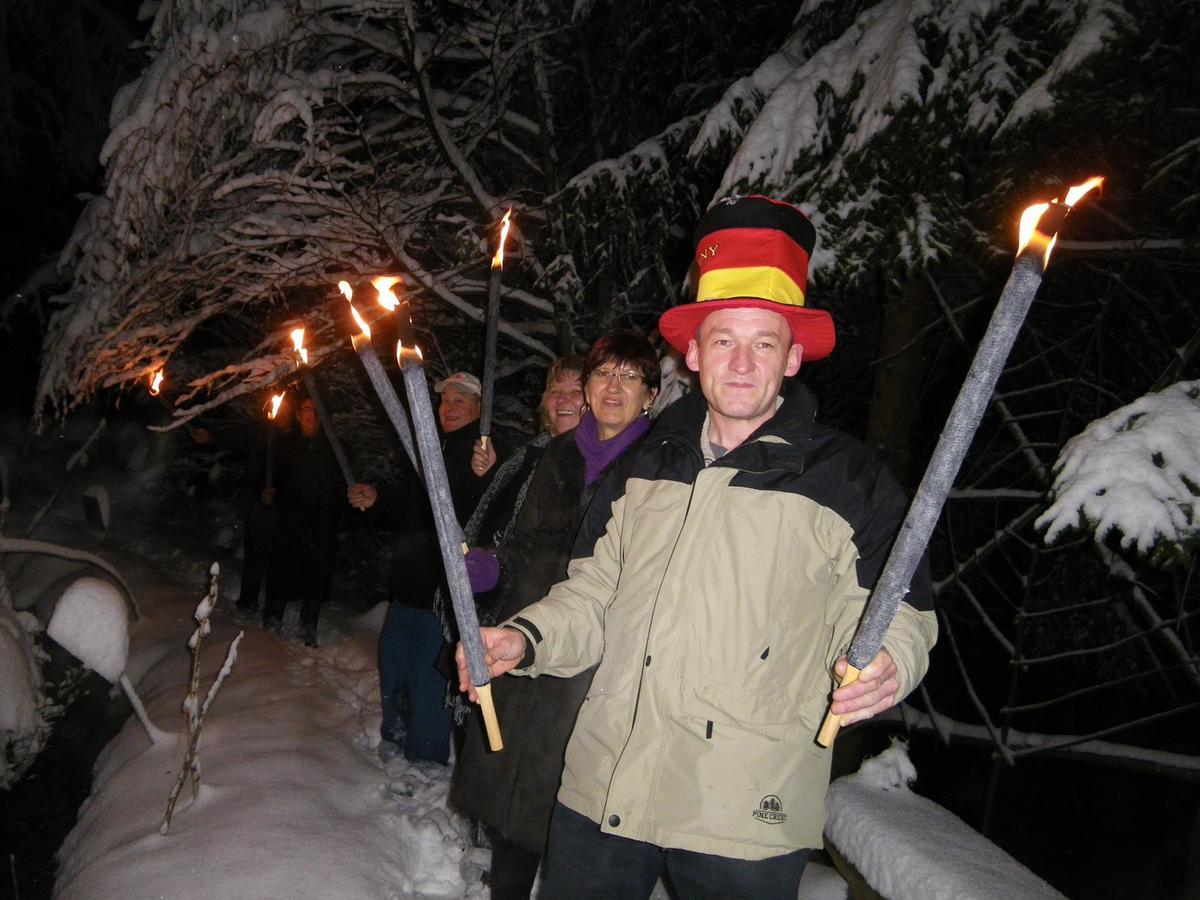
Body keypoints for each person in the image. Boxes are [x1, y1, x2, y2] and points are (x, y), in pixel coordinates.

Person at [456, 196, 938, 899]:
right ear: (693, 352)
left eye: (763, 343)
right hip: (604, 788)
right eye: (723, 340)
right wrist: (524, 639)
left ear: (793, 355)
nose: (741, 363)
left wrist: (889, 659)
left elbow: (897, 609)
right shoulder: (642, 465)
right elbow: (593, 594)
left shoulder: (849, 480)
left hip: (743, 808)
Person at [450, 332, 659, 899]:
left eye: (628, 377)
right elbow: (523, 544)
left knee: (573, 804)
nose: (612, 388)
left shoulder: (661, 466)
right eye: (602, 376)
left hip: (602, 660)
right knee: (514, 795)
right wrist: (489, 569)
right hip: (530, 635)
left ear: (651, 395)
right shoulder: (558, 457)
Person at [348, 371, 505, 765]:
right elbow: (413, 506)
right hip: (407, 589)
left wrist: (487, 470)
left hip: (443, 599)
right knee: (395, 669)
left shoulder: (482, 454)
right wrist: (377, 499)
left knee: (430, 684)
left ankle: (425, 762)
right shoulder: (433, 447)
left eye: (459, 401)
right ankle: (394, 743)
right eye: (444, 400)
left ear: (479, 408)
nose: (447, 408)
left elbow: (488, 505)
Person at [262, 395, 346, 647]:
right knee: (282, 569)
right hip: (290, 518)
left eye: (314, 409)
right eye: (305, 409)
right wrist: (268, 491)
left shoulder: (334, 447)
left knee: (316, 574)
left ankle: (309, 625)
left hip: (320, 520)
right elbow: (271, 474)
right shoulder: (285, 443)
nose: (309, 414)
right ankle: (273, 618)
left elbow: (341, 483)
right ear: (298, 414)